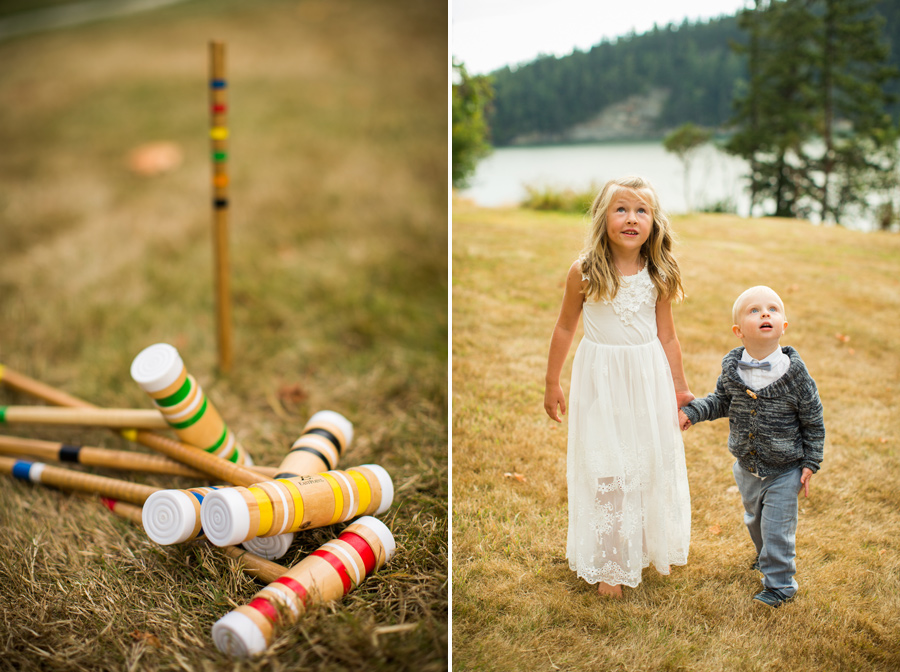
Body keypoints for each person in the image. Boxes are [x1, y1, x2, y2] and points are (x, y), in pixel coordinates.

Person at [544, 176, 693, 598]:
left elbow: (668, 336)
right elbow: (564, 327)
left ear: (654, 222)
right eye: (621, 209)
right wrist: (552, 382)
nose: (631, 218)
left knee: (646, 462)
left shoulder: (659, 272)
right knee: (608, 468)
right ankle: (611, 563)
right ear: (603, 218)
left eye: (641, 210)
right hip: (602, 381)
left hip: (647, 380)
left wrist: (680, 389)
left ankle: (644, 546)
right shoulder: (585, 271)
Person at [679, 285, 825, 608]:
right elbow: (721, 401)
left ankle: (780, 585)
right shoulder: (733, 370)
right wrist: (693, 412)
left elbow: (813, 420)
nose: (765, 314)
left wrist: (811, 461)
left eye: (772, 309)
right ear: (739, 331)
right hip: (746, 467)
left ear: (783, 326)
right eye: (754, 310)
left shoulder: (796, 376)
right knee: (755, 520)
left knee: (776, 528)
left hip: (785, 468)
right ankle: (765, 556)